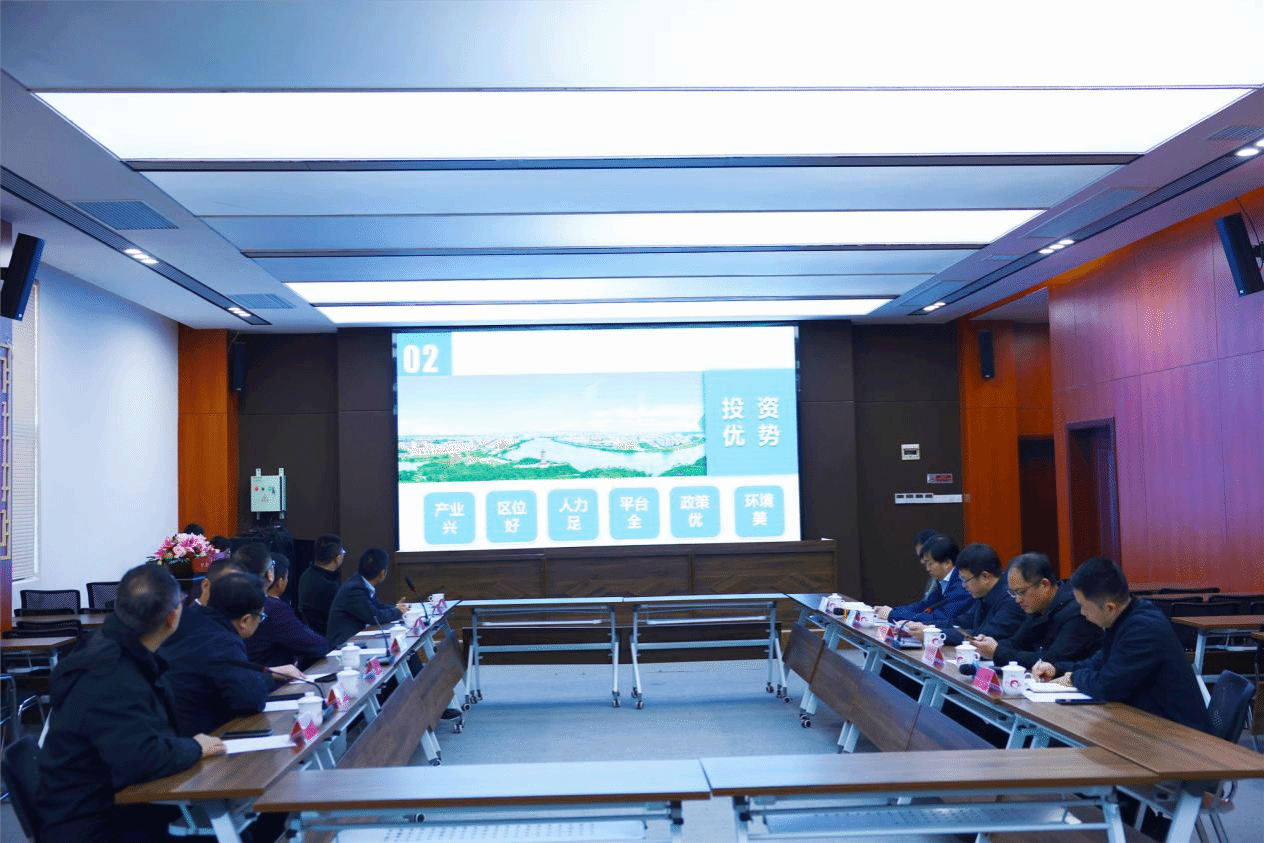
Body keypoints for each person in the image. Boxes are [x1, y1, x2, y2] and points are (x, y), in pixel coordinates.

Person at [37, 563, 225, 841]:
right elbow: (143, 758)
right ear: (172, 616)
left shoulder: (107, 647)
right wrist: (195, 747)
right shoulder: (112, 673)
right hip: (95, 826)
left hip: (109, 807)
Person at [1033, 557, 1212, 732]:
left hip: (1181, 734)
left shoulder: (1142, 629)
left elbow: (1106, 687)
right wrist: (1057, 669)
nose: (1082, 612)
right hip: (1151, 724)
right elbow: (1097, 663)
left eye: (1084, 606)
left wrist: (1073, 678)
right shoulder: (1125, 618)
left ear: (1110, 607)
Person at [159, 572, 303, 736]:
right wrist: (269, 678)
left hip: (172, 733)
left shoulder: (192, 620)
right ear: (245, 621)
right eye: (261, 617)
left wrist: (268, 674)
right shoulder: (223, 641)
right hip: (204, 738)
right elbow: (251, 700)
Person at [972, 552, 1102, 669]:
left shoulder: (1076, 612)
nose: (1017, 600)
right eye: (1013, 593)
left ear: (1044, 584)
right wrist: (989, 646)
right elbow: (1017, 643)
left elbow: (1051, 660)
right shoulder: (1038, 608)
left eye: (1021, 592)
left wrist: (997, 652)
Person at [246, 553, 330, 669]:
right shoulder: (275, 609)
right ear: (279, 581)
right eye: (286, 578)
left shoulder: (239, 602)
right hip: (273, 677)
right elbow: (317, 646)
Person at [874, 535, 972, 627]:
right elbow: (922, 606)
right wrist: (893, 611)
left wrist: (893, 614)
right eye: (926, 565)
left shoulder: (961, 585)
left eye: (930, 564)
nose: (927, 569)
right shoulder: (944, 581)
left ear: (947, 563)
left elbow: (939, 617)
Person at [325, 547, 408, 647]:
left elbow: (377, 606)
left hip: (356, 640)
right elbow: (375, 616)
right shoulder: (354, 589)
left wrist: (397, 608)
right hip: (343, 646)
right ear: (382, 573)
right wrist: (398, 611)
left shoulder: (359, 582)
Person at [298, 533, 344, 635]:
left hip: (313, 635)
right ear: (337, 558)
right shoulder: (329, 587)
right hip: (328, 636)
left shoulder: (306, 575)